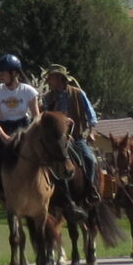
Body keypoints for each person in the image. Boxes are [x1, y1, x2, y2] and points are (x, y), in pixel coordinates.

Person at [0, 53, 39, 224]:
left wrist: (27, 135)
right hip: (5, 130)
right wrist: (4, 137)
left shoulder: (28, 91)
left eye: (3, 73)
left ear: (14, 73)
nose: (0, 76)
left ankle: (61, 198)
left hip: (25, 129)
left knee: (49, 157)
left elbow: (37, 117)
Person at [40, 64, 98, 199]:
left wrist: (91, 132)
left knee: (90, 159)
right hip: (55, 141)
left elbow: (91, 116)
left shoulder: (78, 93)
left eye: (51, 78)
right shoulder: (47, 98)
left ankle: (90, 189)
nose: (49, 82)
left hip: (77, 138)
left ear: (60, 78)